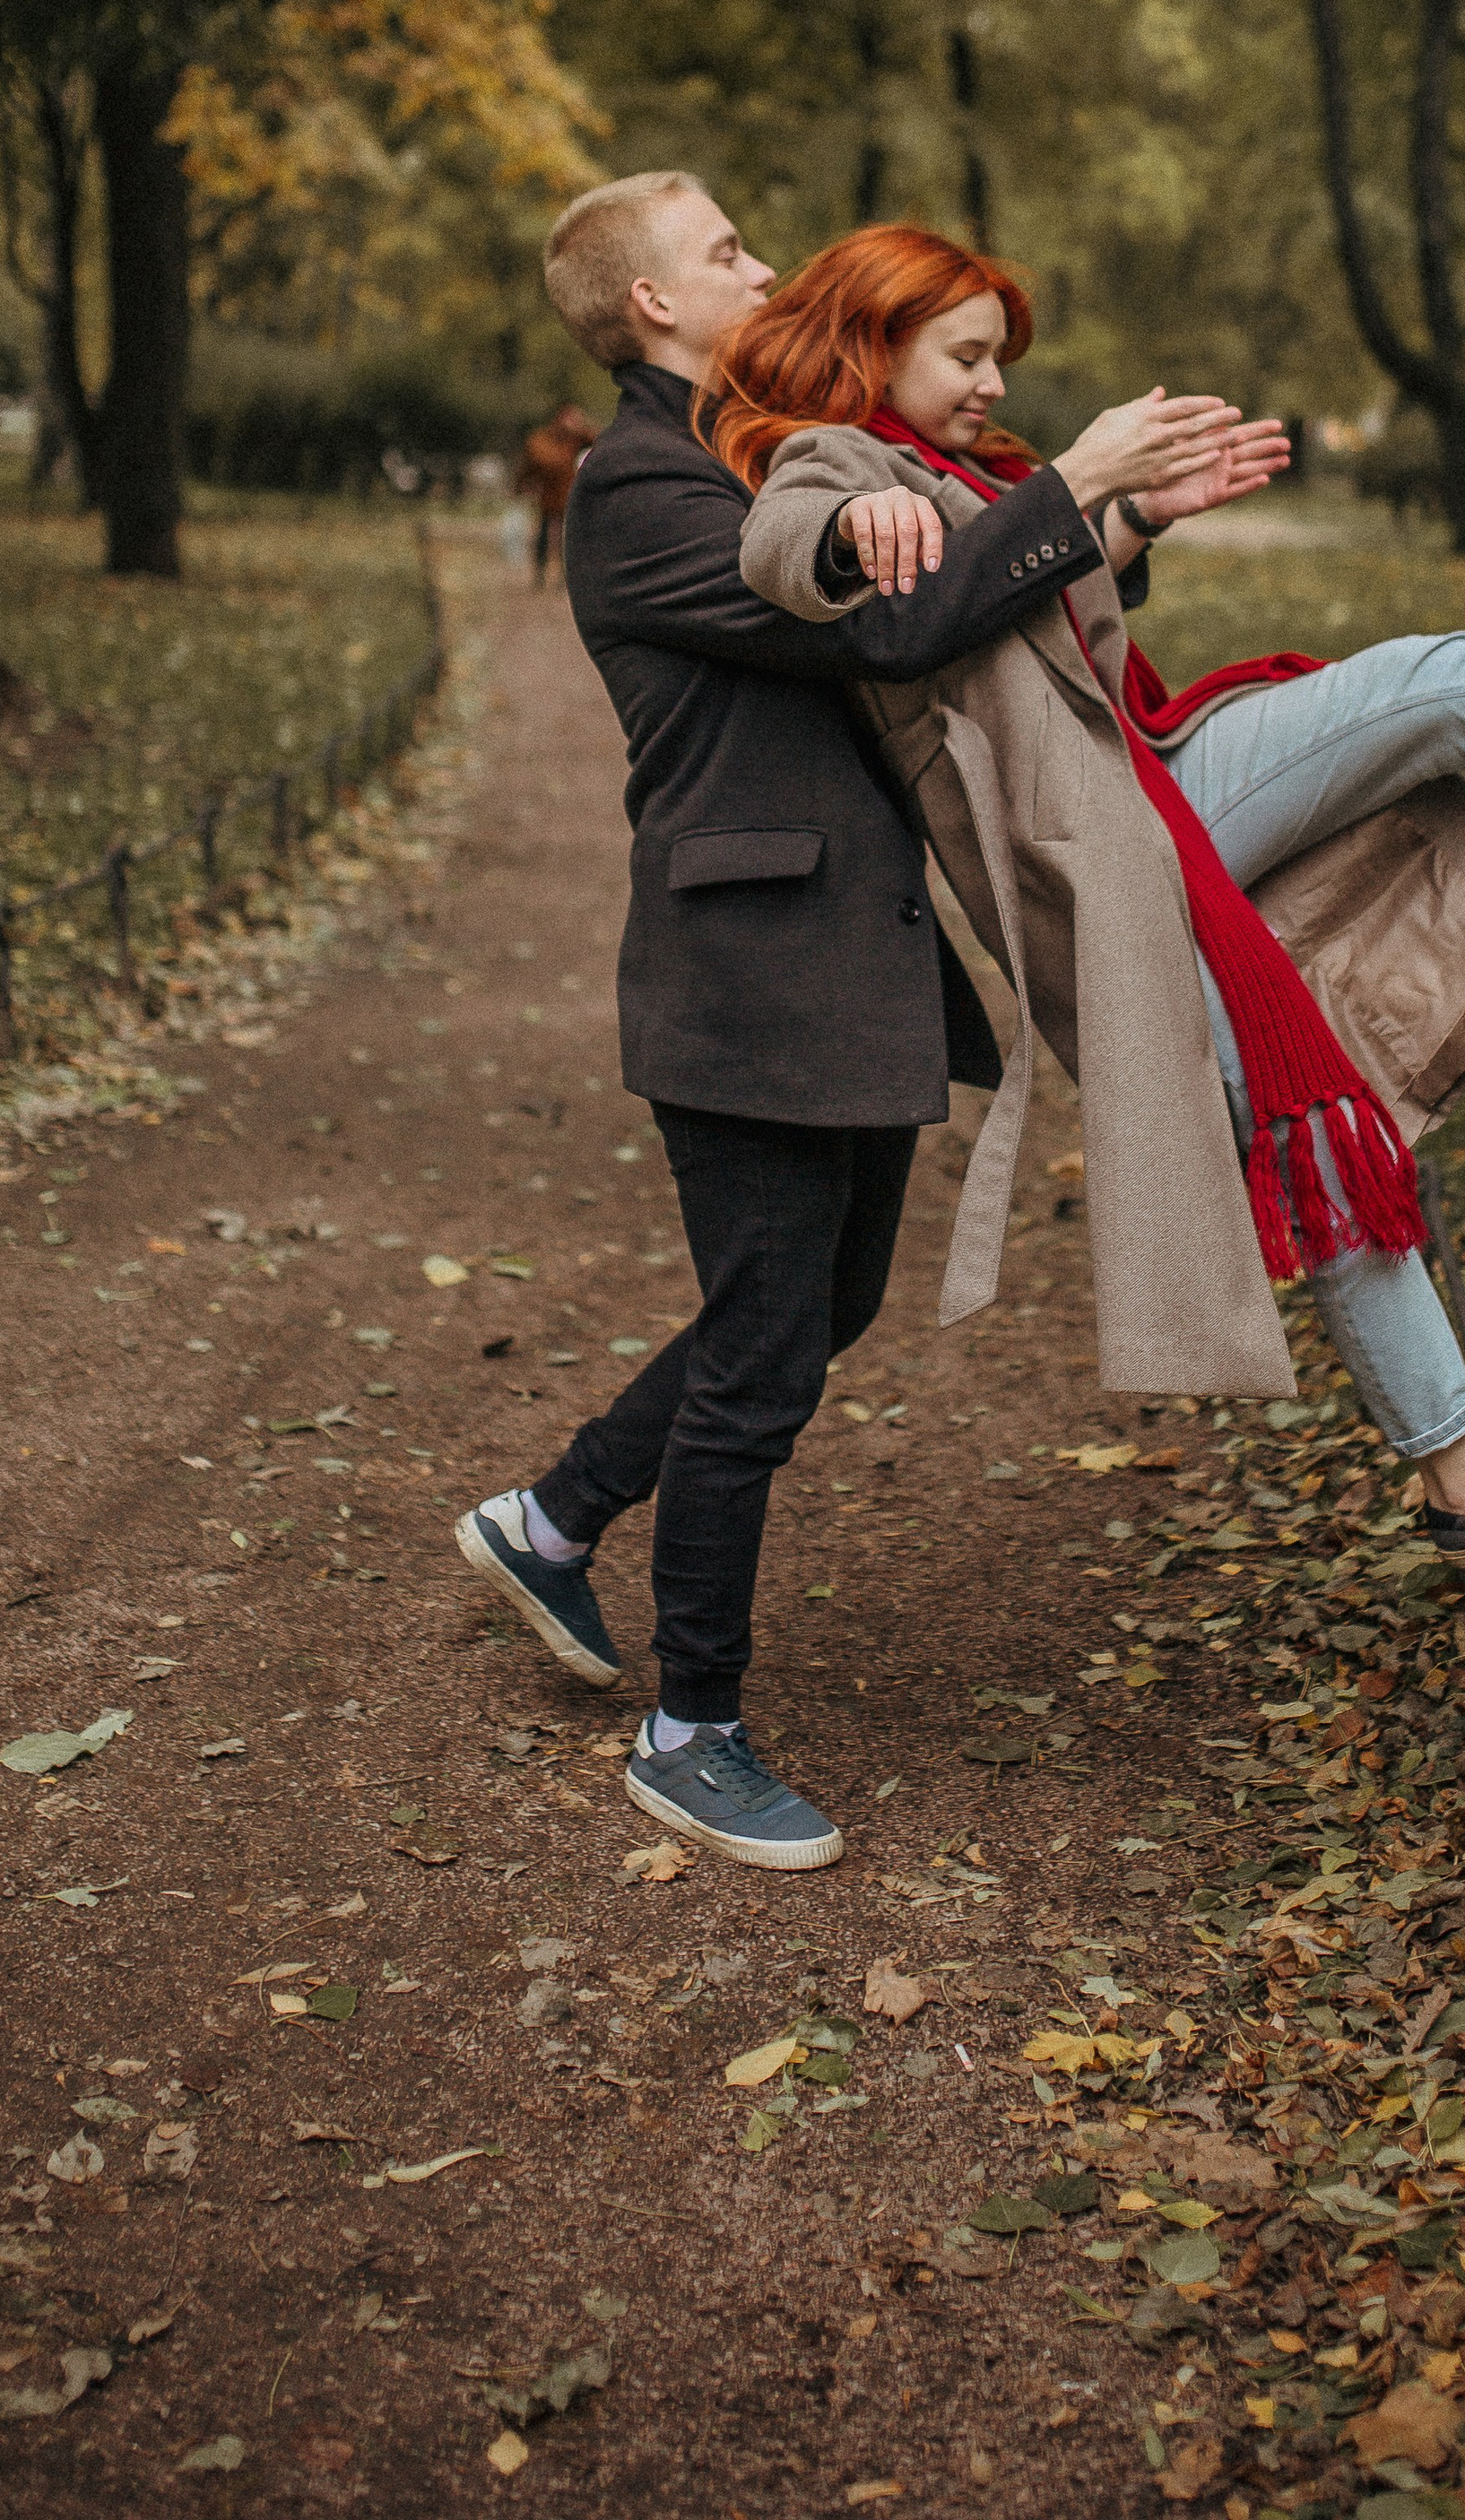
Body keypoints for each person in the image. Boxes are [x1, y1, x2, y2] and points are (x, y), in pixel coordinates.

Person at [727, 224, 1465, 1566]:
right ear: (871, 336)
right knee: (1423, 683)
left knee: (1315, 1115)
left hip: (1144, 805)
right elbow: (828, 576)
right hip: (1108, 848)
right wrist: (998, 500)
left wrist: (1127, 519)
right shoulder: (841, 464)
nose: (994, 381)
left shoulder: (949, 468)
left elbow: (1014, 611)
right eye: (969, 352)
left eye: (1000, 357)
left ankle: (1464, 1479)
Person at [452, 171, 1257, 1871]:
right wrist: (1072, 485)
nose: (766, 262)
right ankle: (695, 1727)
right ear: (654, 307)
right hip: (746, 973)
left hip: (854, 955)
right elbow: (897, 628)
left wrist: (1122, 523)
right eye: (729, 249)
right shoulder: (641, 488)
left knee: (823, 1304)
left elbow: (965, 619)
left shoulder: (762, 445)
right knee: (765, 1346)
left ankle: (555, 1514)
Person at [515, 402, 597, 586]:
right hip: (550, 494)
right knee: (544, 535)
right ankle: (540, 574)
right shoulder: (543, 439)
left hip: (568, 493)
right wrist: (522, 485)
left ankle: (563, 575)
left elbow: (597, 439)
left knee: (566, 537)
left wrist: (582, 427)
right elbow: (534, 460)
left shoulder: (576, 438)